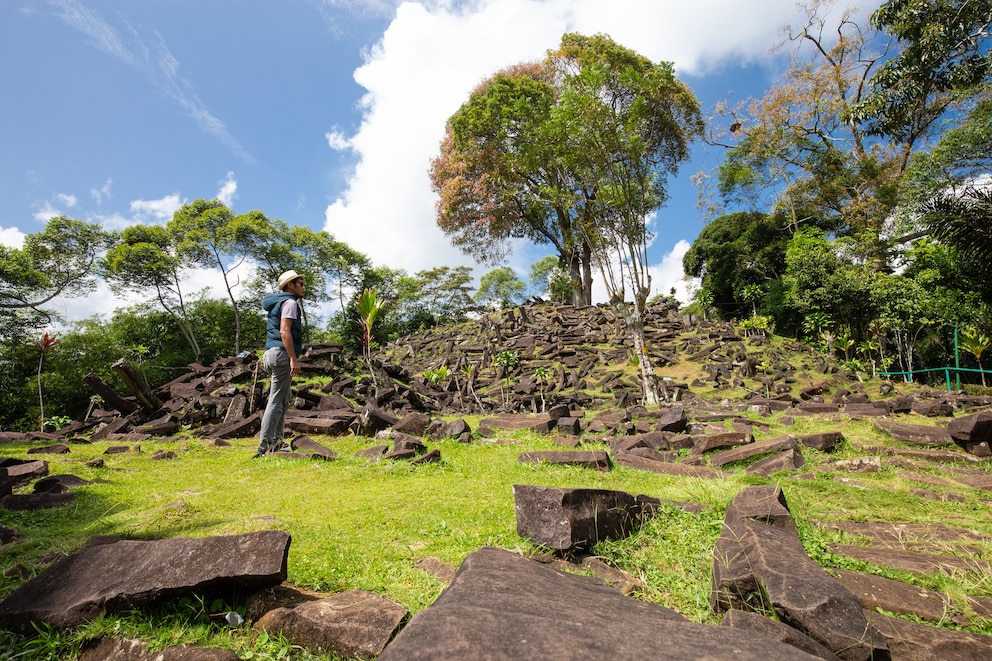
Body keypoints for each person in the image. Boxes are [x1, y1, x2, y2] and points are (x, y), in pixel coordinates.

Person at [256, 270, 305, 457]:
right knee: (276, 400)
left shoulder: (277, 303)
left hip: (270, 354)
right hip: (282, 354)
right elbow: (285, 332)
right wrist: (293, 358)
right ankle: (266, 445)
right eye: (299, 283)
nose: (303, 287)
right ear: (290, 285)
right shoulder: (290, 302)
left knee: (283, 399)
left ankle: (276, 441)